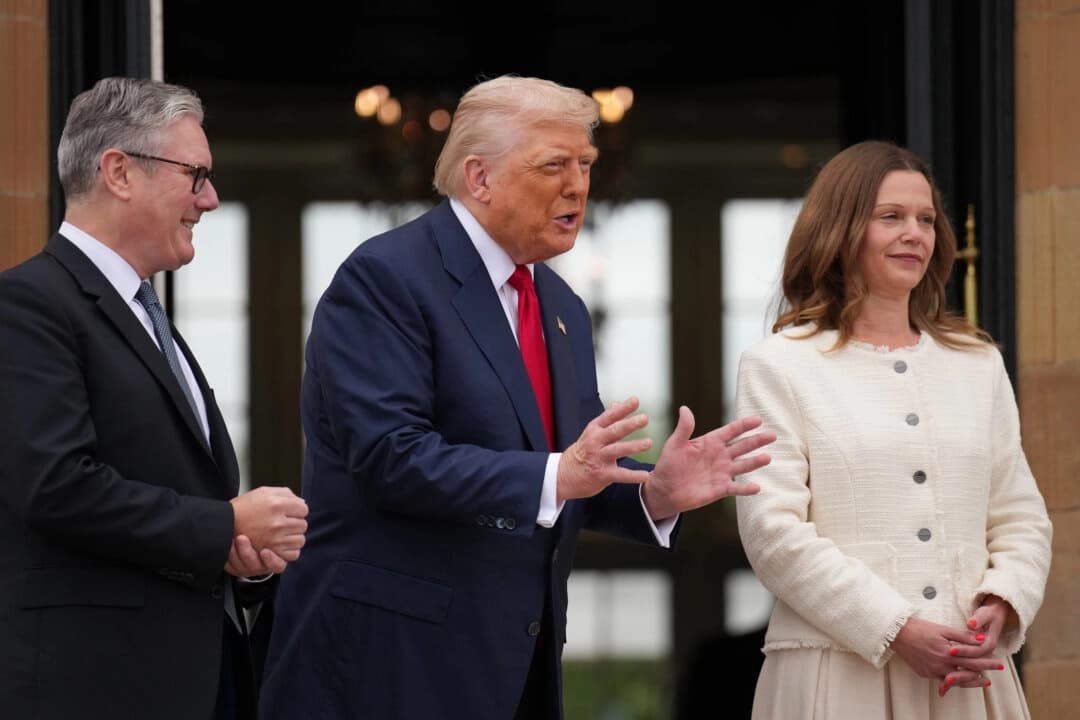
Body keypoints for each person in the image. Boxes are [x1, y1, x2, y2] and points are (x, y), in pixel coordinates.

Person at [258, 74, 776, 720]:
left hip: (517, 664)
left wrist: (654, 493)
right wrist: (565, 471)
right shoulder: (385, 277)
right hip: (391, 663)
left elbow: (572, 470)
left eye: (585, 164)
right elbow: (391, 459)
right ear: (480, 178)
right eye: (554, 165)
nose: (579, 185)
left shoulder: (560, 306)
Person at [0, 77, 310, 720]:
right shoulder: (26, 305)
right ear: (118, 172)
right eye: (196, 175)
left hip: (197, 678)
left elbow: (179, 498)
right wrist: (224, 523)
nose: (212, 199)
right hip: (91, 687)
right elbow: (56, 486)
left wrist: (239, 553)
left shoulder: (148, 315)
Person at [733, 140, 1053, 719]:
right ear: (841, 229)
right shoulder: (778, 364)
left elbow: (1020, 514)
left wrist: (1004, 600)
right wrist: (896, 627)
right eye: (892, 217)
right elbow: (772, 534)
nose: (916, 233)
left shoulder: (977, 364)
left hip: (968, 678)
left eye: (926, 220)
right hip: (835, 675)